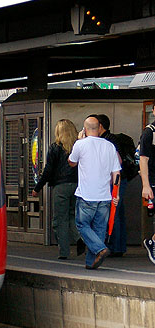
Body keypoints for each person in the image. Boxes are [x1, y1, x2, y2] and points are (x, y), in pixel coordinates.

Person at [69, 116, 121, 269]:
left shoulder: (80, 144)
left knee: (82, 224)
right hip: (105, 195)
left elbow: (71, 162)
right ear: (99, 129)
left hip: (86, 194)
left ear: (84, 129)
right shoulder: (110, 146)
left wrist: (79, 140)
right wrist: (115, 194)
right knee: (99, 228)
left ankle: (100, 249)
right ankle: (91, 262)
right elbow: (116, 172)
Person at [32, 119, 79, 259]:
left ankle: (64, 252)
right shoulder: (79, 146)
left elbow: (48, 170)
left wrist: (38, 187)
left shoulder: (55, 147)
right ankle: (80, 238)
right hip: (78, 186)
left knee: (60, 220)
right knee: (73, 216)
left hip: (61, 187)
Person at [93, 114, 134, 256]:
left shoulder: (107, 141)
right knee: (118, 213)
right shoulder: (113, 139)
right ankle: (119, 246)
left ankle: (114, 245)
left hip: (114, 181)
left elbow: (117, 162)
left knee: (113, 213)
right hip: (121, 180)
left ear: (100, 126)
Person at [138, 103, 155, 265]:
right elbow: (143, 159)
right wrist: (146, 185)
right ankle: (152, 242)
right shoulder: (149, 132)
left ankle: (153, 241)